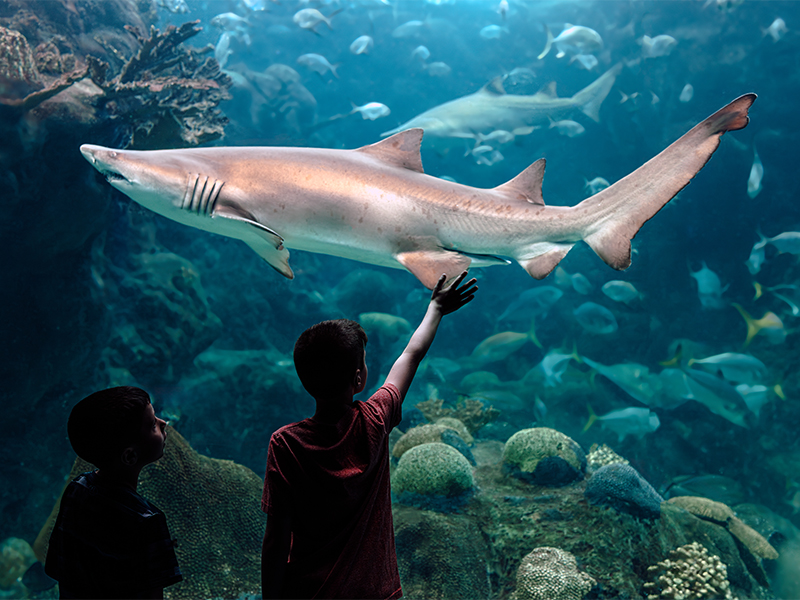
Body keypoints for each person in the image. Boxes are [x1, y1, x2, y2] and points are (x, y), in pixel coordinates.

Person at [261, 271, 478, 599]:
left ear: (303, 380)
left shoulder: (286, 444)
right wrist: (435, 308)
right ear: (360, 377)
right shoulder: (375, 419)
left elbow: (277, 538)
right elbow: (410, 355)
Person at [45, 386, 183, 599]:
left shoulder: (76, 489)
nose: (163, 422)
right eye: (152, 424)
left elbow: (60, 568)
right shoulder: (148, 521)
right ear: (129, 457)